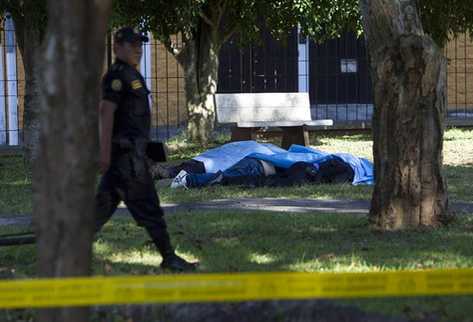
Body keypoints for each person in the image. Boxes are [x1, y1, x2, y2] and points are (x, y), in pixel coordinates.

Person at [95, 27, 197, 272]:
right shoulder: (117, 77)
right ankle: (169, 257)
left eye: (140, 46)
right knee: (149, 207)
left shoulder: (132, 75)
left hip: (131, 155)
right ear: (118, 47)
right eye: (133, 46)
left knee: (99, 211)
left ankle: (65, 253)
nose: (138, 50)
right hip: (126, 159)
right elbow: (106, 113)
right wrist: (104, 154)